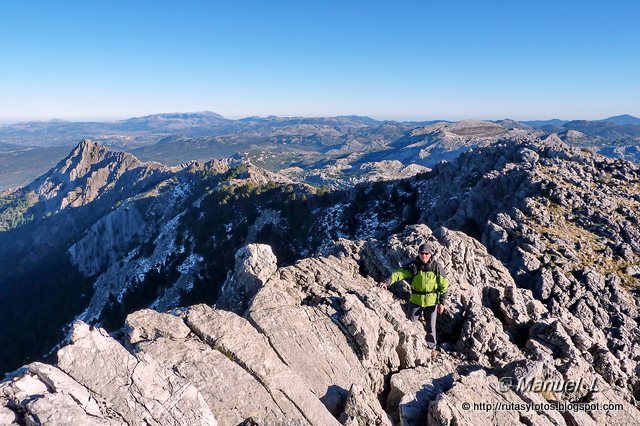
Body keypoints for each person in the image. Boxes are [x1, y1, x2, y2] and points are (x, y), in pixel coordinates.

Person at [378, 242, 448, 349]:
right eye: (421, 254)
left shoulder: (436, 267)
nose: (424, 256)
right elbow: (399, 274)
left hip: (431, 301)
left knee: (431, 328)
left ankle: (431, 348)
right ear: (418, 254)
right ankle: (410, 347)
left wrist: (441, 303)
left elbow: (444, 286)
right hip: (415, 300)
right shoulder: (413, 266)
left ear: (430, 254)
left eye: (426, 254)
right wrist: (387, 282)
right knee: (410, 323)